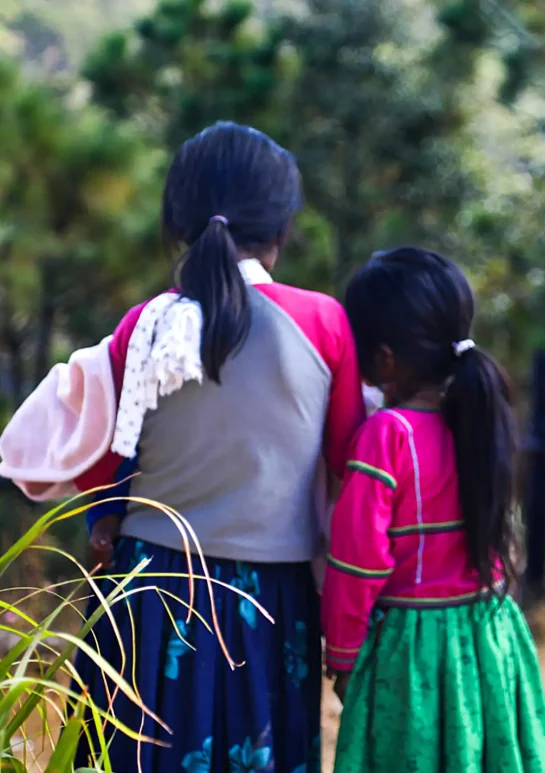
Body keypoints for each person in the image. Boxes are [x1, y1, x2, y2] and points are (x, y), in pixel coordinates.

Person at [72, 121, 365, 772]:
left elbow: (103, 458)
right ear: (281, 229)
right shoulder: (324, 323)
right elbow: (350, 462)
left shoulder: (144, 324)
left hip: (149, 593)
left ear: (178, 223)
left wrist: (103, 522)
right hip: (272, 602)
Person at [322, 247, 545, 773]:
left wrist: (341, 656)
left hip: (413, 654)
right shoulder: (481, 418)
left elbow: (358, 562)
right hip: (491, 636)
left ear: (383, 359)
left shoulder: (387, 435)